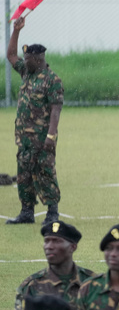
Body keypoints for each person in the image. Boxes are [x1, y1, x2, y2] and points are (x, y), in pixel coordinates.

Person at [6, 17, 64, 225]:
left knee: (45, 172)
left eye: (27, 58)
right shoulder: (26, 73)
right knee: (24, 174)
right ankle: (26, 212)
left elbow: (56, 110)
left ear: (38, 59)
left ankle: (52, 213)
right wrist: (16, 31)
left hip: (43, 138)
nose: (24, 60)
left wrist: (51, 135)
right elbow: (10, 55)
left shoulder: (52, 80)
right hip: (24, 139)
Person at [11, 220, 94, 310]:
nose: (49, 246)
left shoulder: (92, 283)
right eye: (47, 241)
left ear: (73, 247)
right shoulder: (32, 285)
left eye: (56, 241)